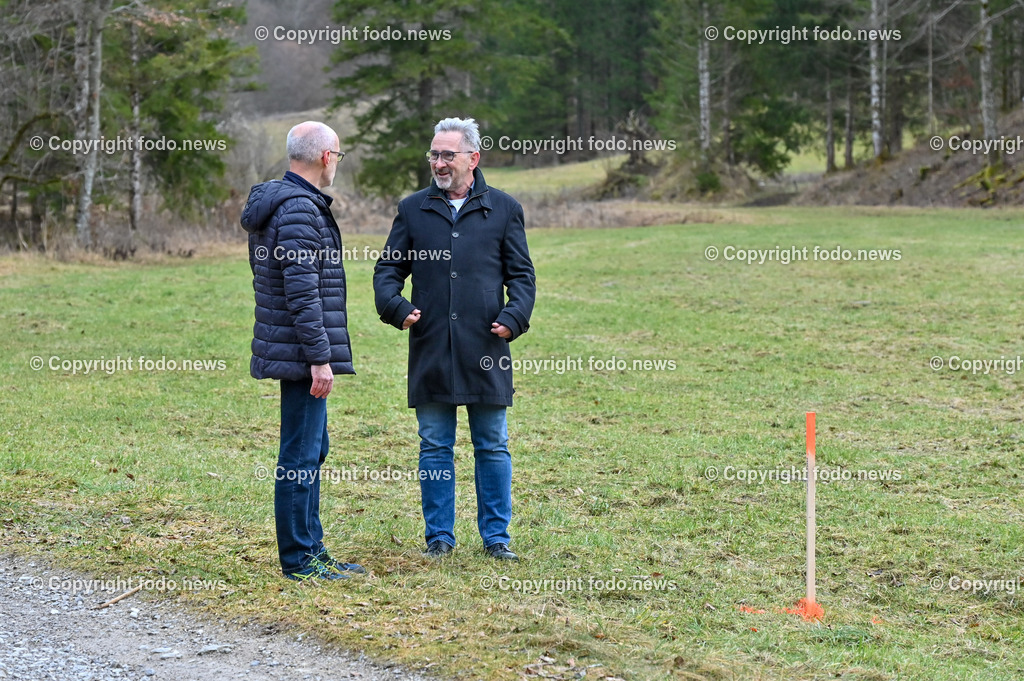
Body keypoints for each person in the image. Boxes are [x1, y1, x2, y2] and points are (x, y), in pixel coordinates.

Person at [374, 117, 536, 561]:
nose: (439, 163)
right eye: (434, 154)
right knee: (434, 445)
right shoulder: (413, 210)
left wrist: (515, 316)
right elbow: (387, 271)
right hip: (430, 346)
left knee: (492, 444)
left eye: (448, 155)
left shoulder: (504, 209)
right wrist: (397, 307)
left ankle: (497, 539)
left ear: (473, 158)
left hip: (486, 347)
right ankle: (439, 539)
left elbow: (522, 275)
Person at [241, 121, 364, 581]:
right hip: (301, 354)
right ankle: (299, 559)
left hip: (296, 348)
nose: (337, 164)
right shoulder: (297, 209)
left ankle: (313, 549)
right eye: (339, 156)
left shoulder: (294, 203)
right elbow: (302, 291)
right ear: (326, 157)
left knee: (313, 448)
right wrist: (319, 357)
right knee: (299, 454)